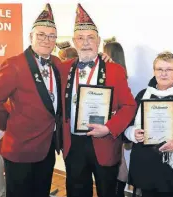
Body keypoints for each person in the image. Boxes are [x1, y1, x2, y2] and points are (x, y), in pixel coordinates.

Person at [0, 4, 63, 197]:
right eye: (41, 34)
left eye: (52, 36)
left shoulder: (58, 64)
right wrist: (8, 123)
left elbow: (79, 69)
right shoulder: (15, 65)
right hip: (20, 149)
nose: (46, 39)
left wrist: (103, 58)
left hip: (47, 147)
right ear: (31, 37)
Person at [60, 4, 137, 197]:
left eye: (90, 38)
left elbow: (129, 106)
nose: (85, 43)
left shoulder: (115, 70)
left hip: (104, 141)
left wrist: (110, 128)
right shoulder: (62, 68)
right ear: (73, 42)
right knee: (76, 192)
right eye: (80, 38)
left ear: (99, 41)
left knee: (107, 192)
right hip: (73, 144)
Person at [125, 51, 173, 197]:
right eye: (159, 69)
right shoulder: (143, 95)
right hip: (148, 167)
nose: (164, 74)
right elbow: (127, 126)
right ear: (154, 71)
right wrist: (133, 133)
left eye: (169, 69)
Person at [103, 38, 130, 197]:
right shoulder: (123, 73)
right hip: (118, 125)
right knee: (120, 163)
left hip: (113, 125)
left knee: (118, 165)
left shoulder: (115, 74)